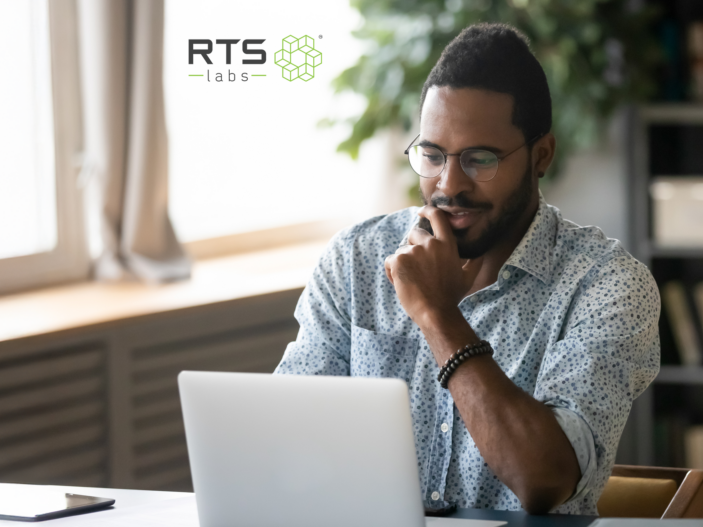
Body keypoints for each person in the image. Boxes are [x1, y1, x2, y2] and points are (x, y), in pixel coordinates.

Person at [275, 23, 660, 515]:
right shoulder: (356, 260)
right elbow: (286, 441)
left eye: (480, 159)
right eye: (432, 155)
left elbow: (545, 480)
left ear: (541, 155)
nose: (449, 183)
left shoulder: (607, 285)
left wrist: (437, 316)